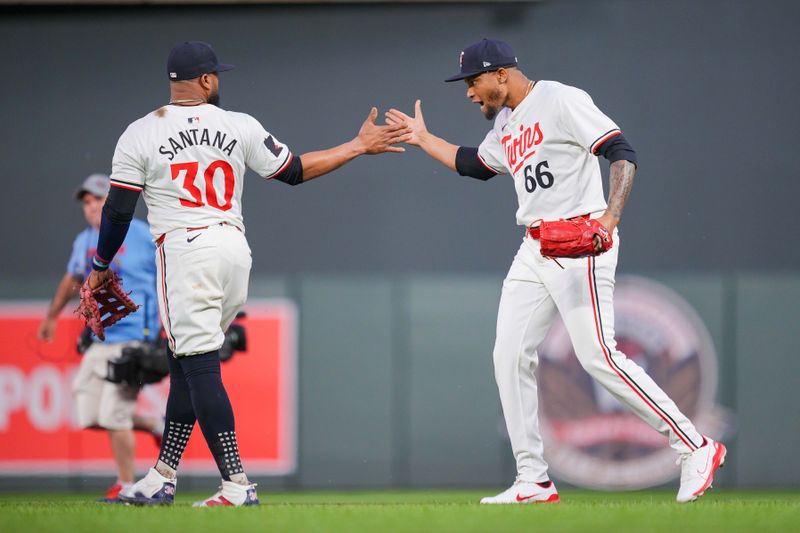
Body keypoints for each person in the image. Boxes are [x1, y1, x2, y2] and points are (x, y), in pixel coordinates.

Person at [386, 39, 726, 504]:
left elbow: (621, 151)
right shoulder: (507, 122)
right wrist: (423, 138)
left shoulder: (561, 99)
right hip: (534, 247)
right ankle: (533, 478)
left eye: (473, 81)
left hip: (579, 238)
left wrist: (610, 219)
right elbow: (476, 166)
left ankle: (696, 447)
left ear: (501, 74)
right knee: (508, 355)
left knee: (599, 358)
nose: (468, 92)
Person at [85, 41, 410, 507]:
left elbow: (117, 210)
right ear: (206, 80)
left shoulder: (139, 132)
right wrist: (357, 145)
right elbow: (294, 171)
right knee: (184, 364)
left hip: (186, 250)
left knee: (198, 366)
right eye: (217, 74)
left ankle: (237, 484)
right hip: (234, 250)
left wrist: (100, 265)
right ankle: (162, 477)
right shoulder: (239, 125)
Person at [37, 173, 163, 503]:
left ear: (112, 201)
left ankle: (125, 484)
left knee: (114, 415)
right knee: (90, 416)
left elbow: (169, 275)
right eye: (86, 201)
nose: (90, 205)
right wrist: (52, 316)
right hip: (100, 338)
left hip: (136, 336)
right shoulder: (83, 241)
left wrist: (165, 328)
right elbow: (71, 280)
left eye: (97, 198)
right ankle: (153, 424)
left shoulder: (143, 234)